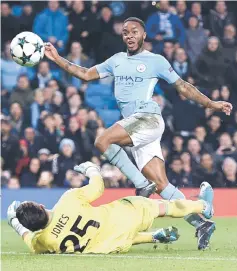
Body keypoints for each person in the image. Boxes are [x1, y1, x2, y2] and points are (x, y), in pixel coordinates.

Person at [44, 17, 232, 250]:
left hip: (148, 118)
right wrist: (57, 59)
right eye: (125, 32)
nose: (129, 36)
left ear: (144, 35)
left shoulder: (156, 61)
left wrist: (211, 103)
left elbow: (183, 86)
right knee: (162, 185)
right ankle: (201, 217)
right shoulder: (116, 60)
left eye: (134, 32)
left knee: (103, 141)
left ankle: (141, 183)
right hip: (135, 125)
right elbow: (84, 73)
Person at [7, 162, 215, 254]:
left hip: (112, 245)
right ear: (41, 205)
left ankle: (154, 236)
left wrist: (16, 224)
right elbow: (98, 187)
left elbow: (30, 241)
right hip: (124, 216)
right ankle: (203, 206)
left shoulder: (43, 241)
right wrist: (91, 169)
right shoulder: (68, 200)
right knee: (164, 207)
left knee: (111, 235)